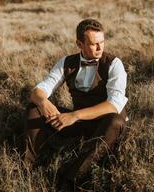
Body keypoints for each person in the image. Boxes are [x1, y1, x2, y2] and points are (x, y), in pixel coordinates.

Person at [23, 18, 128, 190]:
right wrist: (42, 102)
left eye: (102, 42)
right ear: (79, 44)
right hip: (80, 124)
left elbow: (114, 104)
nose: (100, 48)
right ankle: (28, 167)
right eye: (94, 44)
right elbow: (38, 90)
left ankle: (70, 179)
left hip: (107, 125)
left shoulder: (113, 64)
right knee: (34, 109)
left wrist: (74, 115)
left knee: (115, 120)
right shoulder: (67, 62)